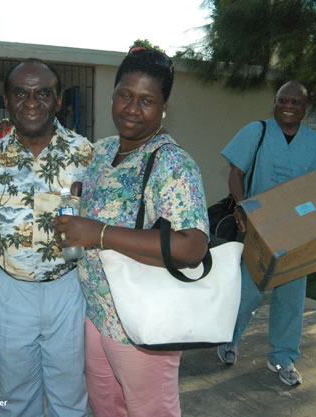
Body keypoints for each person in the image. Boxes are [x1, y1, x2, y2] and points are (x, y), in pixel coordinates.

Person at [53, 47, 209, 417]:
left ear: (164, 106)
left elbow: (192, 247)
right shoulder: (104, 150)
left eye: (146, 101)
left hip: (142, 326)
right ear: (113, 93)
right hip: (99, 315)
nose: (132, 109)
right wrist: (79, 200)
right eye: (125, 95)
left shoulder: (173, 163)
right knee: (106, 407)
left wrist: (99, 233)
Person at [0, 58, 93, 417]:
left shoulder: (86, 153)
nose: (31, 102)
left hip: (68, 290)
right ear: (6, 100)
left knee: (70, 399)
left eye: (43, 93)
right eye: (21, 93)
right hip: (8, 291)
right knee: (14, 400)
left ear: (59, 100)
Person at [217, 81, 316, 386]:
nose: (288, 105)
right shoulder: (256, 131)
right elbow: (237, 172)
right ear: (274, 102)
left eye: (295, 101)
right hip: (260, 228)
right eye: (282, 99)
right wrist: (242, 205)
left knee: (291, 299)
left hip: (299, 234)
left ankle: (283, 358)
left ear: (305, 107)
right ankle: (227, 338)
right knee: (247, 291)